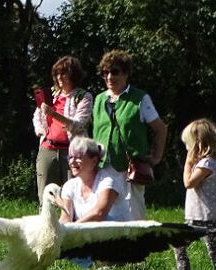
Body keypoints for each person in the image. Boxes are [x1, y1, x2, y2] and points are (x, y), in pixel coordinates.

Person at [91, 50, 167, 220]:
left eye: (115, 72)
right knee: (104, 217)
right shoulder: (98, 100)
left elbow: (160, 129)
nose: (109, 77)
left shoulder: (140, 99)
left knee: (134, 218)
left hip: (131, 170)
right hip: (103, 169)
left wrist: (156, 157)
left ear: (126, 73)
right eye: (105, 72)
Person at [173, 118, 216, 270]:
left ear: (198, 144)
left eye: (188, 144)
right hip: (195, 216)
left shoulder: (207, 163)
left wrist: (188, 163)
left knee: (213, 250)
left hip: (207, 217)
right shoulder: (204, 162)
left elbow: (189, 182)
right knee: (179, 244)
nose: (187, 148)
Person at [33, 55, 93, 206]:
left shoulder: (84, 97)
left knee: (73, 199)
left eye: (64, 73)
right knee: (45, 199)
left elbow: (78, 124)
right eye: (57, 73)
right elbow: (37, 116)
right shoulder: (50, 94)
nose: (59, 77)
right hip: (47, 150)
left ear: (73, 74)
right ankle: (47, 228)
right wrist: (41, 132)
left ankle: (74, 228)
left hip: (73, 153)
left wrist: (53, 114)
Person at [59, 136, 131, 223]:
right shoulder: (69, 186)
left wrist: (73, 228)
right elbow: (65, 217)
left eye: (78, 157)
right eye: (70, 157)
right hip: (88, 235)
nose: (72, 162)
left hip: (118, 235)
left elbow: (99, 213)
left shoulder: (108, 182)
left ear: (94, 161)